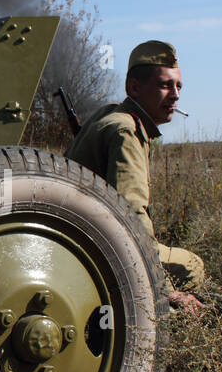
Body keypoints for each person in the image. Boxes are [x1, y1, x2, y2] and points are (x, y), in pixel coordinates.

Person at [65, 39, 205, 312]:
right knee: (191, 267)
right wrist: (164, 291)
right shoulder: (127, 131)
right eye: (165, 85)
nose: (175, 95)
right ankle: (158, 326)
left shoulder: (110, 115)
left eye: (178, 86)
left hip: (79, 237)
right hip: (93, 245)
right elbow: (132, 215)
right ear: (135, 88)